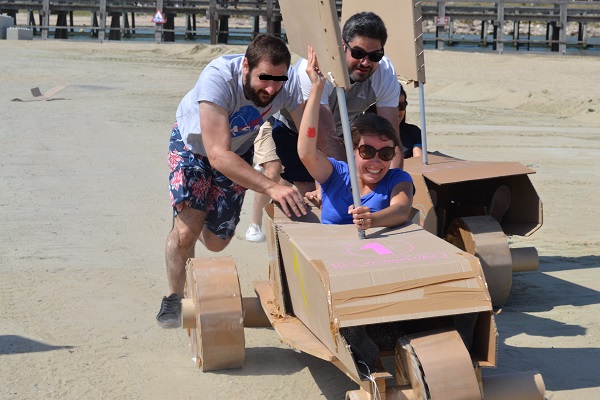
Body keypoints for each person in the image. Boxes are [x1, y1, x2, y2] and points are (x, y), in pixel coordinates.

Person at [157, 34, 308, 328]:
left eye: (279, 80)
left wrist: (314, 93)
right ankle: (172, 296)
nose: (271, 87)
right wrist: (272, 186)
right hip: (194, 148)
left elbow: (309, 134)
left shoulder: (284, 86)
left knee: (216, 243)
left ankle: (193, 217)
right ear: (245, 68)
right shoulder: (217, 78)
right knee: (187, 231)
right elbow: (216, 155)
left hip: (238, 151)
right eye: (264, 78)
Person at [273, 11, 402, 196]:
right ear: (342, 46)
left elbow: (392, 139)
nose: (365, 62)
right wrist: (355, 189)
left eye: (375, 55)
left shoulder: (385, 73)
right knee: (316, 191)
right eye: (358, 53)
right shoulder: (315, 69)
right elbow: (325, 140)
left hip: (341, 131)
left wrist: (392, 186)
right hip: (294, 129)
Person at [298, 47, 414, 230]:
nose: (376, 161)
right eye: (367, 151)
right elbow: (306, 152)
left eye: (385, 153)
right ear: (352, 150)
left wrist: (371, 219)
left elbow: (401, 210)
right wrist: (316, 89)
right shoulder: (335, 174)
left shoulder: (397, 179)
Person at [245, 118, 289, 242]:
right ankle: (254, 224)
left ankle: (277, 218)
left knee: (289, 173)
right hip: (271, 121)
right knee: (273, 171)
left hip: (296, 127)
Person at [398, 86, 423, 159]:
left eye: (401, 106)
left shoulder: (413, 132)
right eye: (392, 106)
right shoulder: (371, 133)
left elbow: (418, 160)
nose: (396, 111)